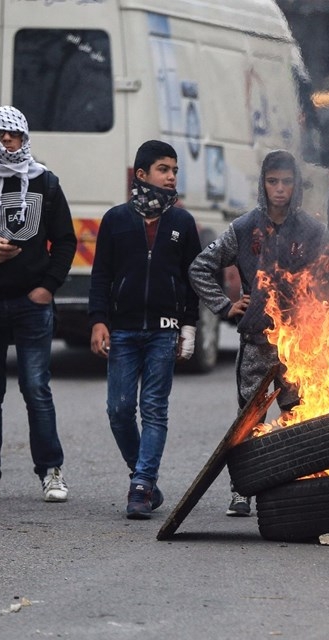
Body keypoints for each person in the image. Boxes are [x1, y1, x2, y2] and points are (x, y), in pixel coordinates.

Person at [189, 150, 326, 517]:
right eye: (272, 181)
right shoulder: (244, 227)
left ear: (296, 186)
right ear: (263, 185)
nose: (279, 189)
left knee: (299, 413)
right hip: (257, 340)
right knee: (249, 417)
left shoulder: (312, 231)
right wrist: (225, 306)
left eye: (286, 181)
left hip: (301, 342)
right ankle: (242, 490)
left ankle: (298, 484)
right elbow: (200, 268)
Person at [0, 106, 77, 503]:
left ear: (26, 138)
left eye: (17, 136)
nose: (10, 142)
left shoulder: (45, 182)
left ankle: (51, 470)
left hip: (32, 305)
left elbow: (65, 241)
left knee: (36, 388)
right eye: (2, 135)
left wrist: (48, 287)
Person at [88, 141, 201, 519]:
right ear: (141, 174)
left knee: (154, 408)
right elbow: (101, 275)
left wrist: (189, 325)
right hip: (121, 330)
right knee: (119, 409)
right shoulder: (116, 219)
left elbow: (193, 279)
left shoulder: (182, 223)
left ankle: (141, 484)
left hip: (163, 332)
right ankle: (144, 478)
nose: (171, 177)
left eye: (174, 171)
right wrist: (98, 320)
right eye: (163, 169)